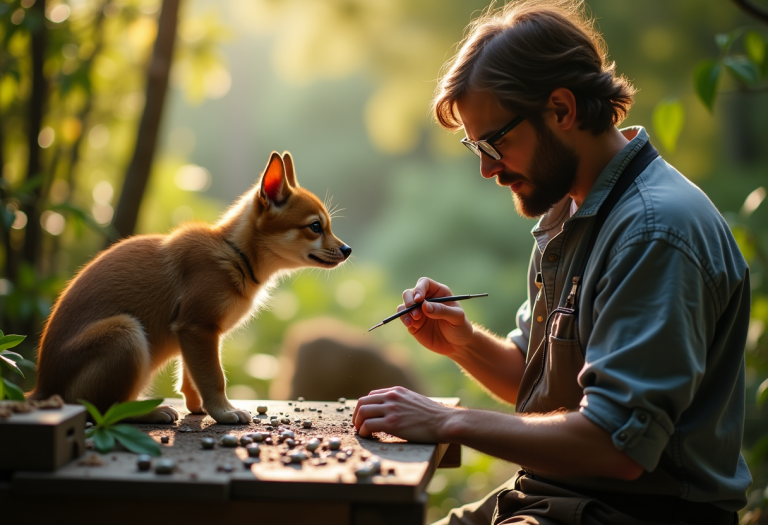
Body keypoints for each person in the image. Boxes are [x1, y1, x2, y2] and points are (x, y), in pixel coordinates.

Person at [352, 2, 752, 524]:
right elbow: (539, 385)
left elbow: (616, 445)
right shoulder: (575, 210)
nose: (486, 167)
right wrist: (465, 343)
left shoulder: (655, 232)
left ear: (561, 110)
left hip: (631, 512)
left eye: (495, 141)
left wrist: (446, 421)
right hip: (551, 501)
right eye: (475, 145)